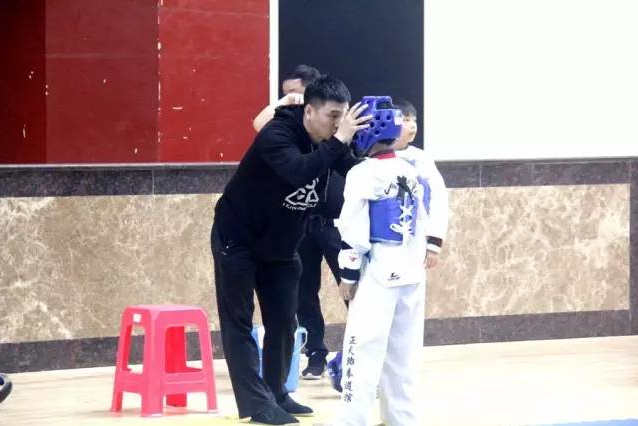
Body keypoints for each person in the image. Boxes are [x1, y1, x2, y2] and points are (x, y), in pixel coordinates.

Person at [211, 75, 371, 425]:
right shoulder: (277, 135)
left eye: (343, 116)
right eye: (332, 116)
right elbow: (298, 171)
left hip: (281, 245)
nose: (338, 124)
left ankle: (278, 393)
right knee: (239, 321)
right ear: (309, 111)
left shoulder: (329, 141)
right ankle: (257, 405)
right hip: (237, 237)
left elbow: (354, 171)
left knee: (284, 320)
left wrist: (379, 156)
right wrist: (339, 140)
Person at [323, 96, 448, 426]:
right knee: (403, 354)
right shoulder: (412, 171)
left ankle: (352, 420)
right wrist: (431, 247)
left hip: (378, 271)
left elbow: (354, 230)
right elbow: (424, 221)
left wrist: (348, 275)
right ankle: (400, 419)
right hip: (412, 271)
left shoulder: (363, 173)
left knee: (362, 349)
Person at [252, 65, 347, 380]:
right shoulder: (291, 131)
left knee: (352, 287)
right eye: (285, 93)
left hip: (336, 223)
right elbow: (259, 123)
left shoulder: (335, 129)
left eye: (293, 92)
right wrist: (284, 102)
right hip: (304, 221)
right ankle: (316, 353)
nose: (288, 98)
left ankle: (358, 354)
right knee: (304, 292)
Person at [252, 65, 322, 132]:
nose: (290, 96)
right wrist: (286, 100)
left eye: (292, 91)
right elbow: (259, 125)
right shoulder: (290, 115)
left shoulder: (324, 112)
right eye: (286, 94)